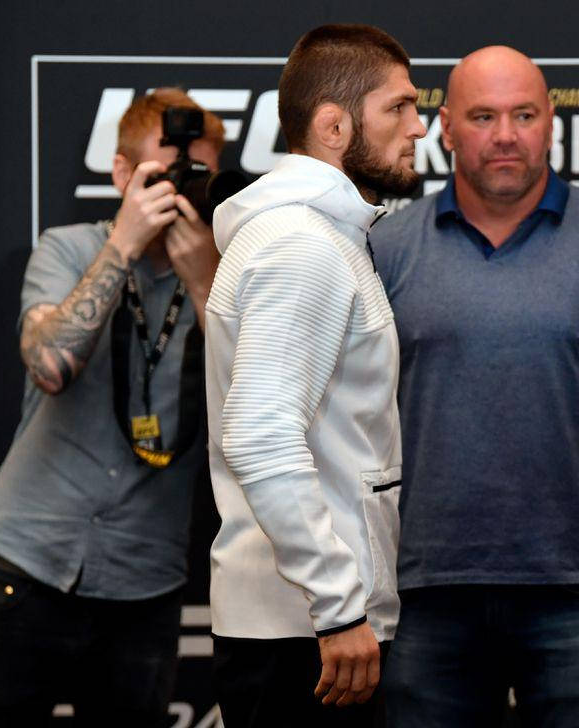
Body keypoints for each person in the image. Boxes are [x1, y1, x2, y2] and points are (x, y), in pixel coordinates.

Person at [370, 45, 579, 727]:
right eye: (482, 116)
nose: (505, 135)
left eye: (524, 114)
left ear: (551, 124)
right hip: (423, 588)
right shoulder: (387, 248)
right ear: (445, 127)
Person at [0, 88, 224, 725]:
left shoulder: (228, 278)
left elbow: (250, 413)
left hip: (145, 584)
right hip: (27, 563)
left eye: (197, 176)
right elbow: (50, 365)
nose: (179, 190)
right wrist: (125, 246)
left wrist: (203, 284)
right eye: (164, 173)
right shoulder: (69, 248)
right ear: (121, 174)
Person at [204, 24, 425, 727]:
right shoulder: (301, 246)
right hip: (303, 635)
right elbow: (261, 437)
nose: (420, 126)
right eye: (398, 107)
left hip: (305, 627)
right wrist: (337, 605)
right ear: (334, 125)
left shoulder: (321, 236)